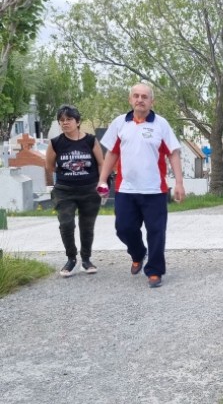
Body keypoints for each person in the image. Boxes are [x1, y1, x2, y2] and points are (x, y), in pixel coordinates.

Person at [97, 83, 185, 288]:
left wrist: (179, 183)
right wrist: (102, 179)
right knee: (123, 228)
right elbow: (112, 153)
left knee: (156, 231)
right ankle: (138, 253)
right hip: (125, 189)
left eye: (145, 96)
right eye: (136, 96)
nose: (140, 100)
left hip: (154, 189)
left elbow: (173, 152)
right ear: (130, 100)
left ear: (151, 101)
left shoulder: (161, 124)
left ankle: (154, 271)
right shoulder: (120, 123)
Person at [45, 105, 105, 277]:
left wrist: (102, 184)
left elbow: (101, 163)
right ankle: (71, 259)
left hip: (89, 190)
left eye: (69, 119)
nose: (65, 123)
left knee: (87, 226)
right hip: (64, 191)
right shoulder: (55, 143)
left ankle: (86, 259)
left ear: (77, 122)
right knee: (66, 224)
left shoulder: (90, 140)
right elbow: (49, 166)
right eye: (62, 120)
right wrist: (67, 174)